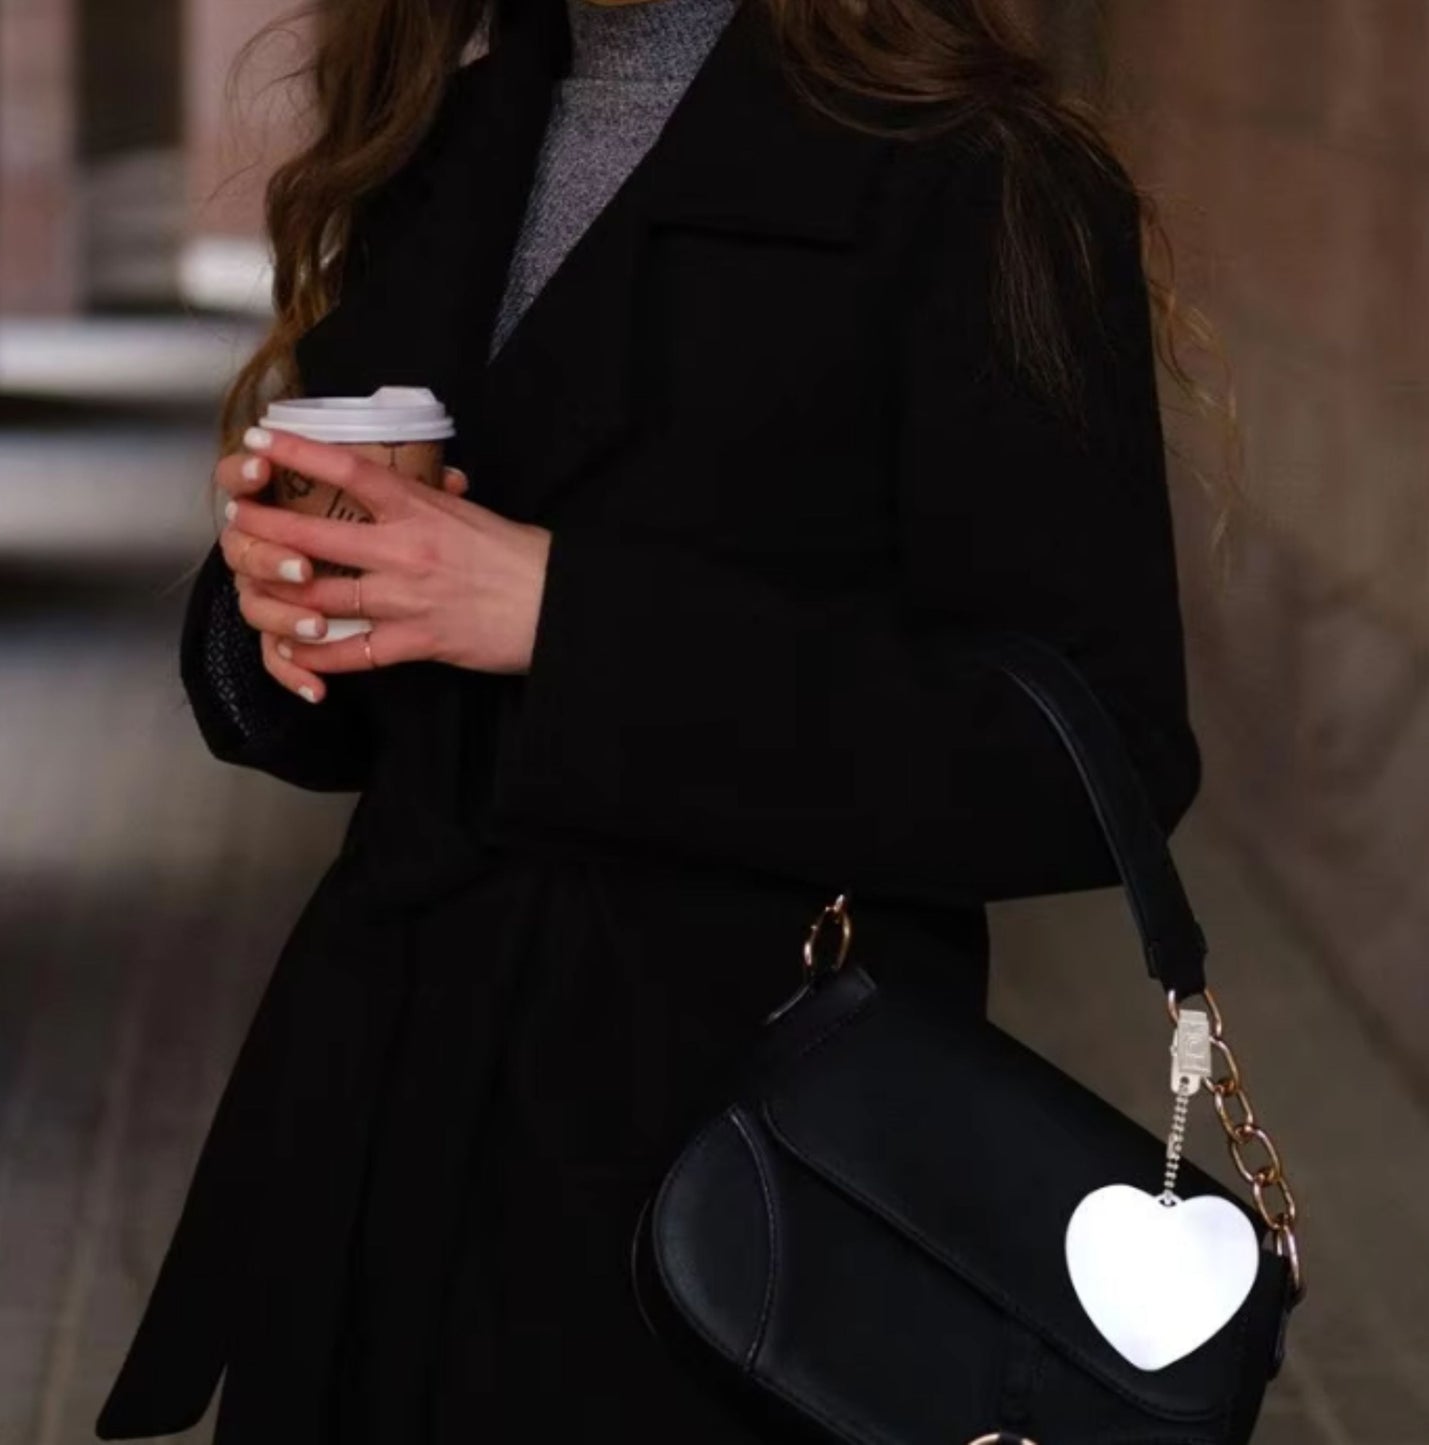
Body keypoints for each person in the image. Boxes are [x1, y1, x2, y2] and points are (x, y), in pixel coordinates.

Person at [97, 0, 1209, 1439]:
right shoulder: (431, 139)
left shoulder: (983, 172)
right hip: (386, 1111)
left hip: (732, 1166)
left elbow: (1090, 752)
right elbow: (374, 707)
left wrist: (571, 621)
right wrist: (278, 605)